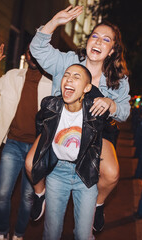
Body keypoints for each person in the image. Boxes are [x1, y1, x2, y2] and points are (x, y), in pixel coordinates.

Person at [28, 5, 131, 232]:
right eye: (95, 36)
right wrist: (55, 21)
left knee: (112, 174)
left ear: (113, 50)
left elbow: (125, 110)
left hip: (96, 132)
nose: (98, 42)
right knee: (29, 164)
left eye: (106, 40)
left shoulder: (117, 79)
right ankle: (39, 194)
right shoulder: (68, 61)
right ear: (88, 41)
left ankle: (99, 204)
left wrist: (112, 104)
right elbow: (37, 49)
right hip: (60, 126)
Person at [26, 64, 107, 239]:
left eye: (76, 77)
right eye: (66, 75)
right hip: (57, 174)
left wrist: (110, 101)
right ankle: (40, 196)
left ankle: (98, 209)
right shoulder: (50, 105)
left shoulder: (95, 112)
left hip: (84, 175)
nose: (69, 79)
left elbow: (109, 129)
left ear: (87, 88)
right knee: (51, 234)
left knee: (83, 235)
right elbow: (40, 125)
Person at [0, 44, 52, 240]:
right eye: (30, 51)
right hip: (12, 144)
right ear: (26, 54)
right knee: (3, 194)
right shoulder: (13, 76)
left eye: (38, 51)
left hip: (37, 148)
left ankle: (18, 235)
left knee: (28, 198)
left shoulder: (53, 81)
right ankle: (2, 233)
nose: (33, 55)